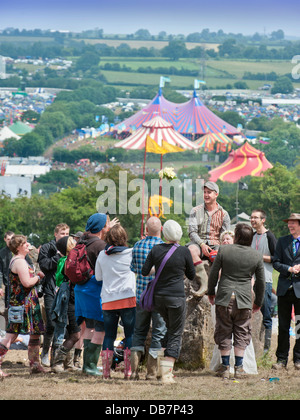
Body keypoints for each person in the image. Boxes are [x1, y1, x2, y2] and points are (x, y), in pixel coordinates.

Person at [207, 223, 265, 379]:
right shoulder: (256, 255)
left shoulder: (224, 250)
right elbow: (261, 282)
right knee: (242, 331)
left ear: (237, 236)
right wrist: (258, 302)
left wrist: (211, 292)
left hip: (224, 297)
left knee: (224, 330)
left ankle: (225, 367)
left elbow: (213, 274)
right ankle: (239, 367)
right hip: (245, 298)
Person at [142, 220, 195, 384]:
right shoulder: (184, 251)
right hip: (176, 298)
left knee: (168, 330)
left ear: (165, 233)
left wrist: (159, 269)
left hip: (159, 299)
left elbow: (144, 272)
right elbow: (192, 275)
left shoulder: (156, 249)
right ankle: (166, 375)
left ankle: (162, 369)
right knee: (175, 333)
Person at [74, 213, 118, 376]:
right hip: (94, 290)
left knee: (89, 327)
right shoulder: (100, 245)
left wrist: (106, 228)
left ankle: (87, 365)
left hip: (81, 290)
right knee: (100, 329)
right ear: (101, 228)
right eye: (105, 224)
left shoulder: (82, 241)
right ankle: (90, 366)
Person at [0, 235, 46, 377]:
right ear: (18, 247)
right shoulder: (19, 262)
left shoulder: (23, 260)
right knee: (10, 337)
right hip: (21, 306)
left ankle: (35, 365)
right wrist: (38, 277)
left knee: (35, 334)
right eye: (25, 243)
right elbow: (26, 283)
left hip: (29, 304)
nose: (28, 245)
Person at [95, 224, 136, 380]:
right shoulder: (131, 253)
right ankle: (128, 371)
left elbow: (98, 277)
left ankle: (106, 372)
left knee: (109, 336)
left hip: (108, 300)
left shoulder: (102, 255)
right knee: (130, 334)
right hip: (127, 298)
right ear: (124, 237)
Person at [130, 216, 167, 380]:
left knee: (138, 332)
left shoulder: (137, 245)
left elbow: (133, 268)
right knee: (158, 333)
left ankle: (134, 371)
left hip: (141, 296)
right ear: (161, 229)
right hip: (159, 296)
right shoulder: (164, 248)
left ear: (146, 230)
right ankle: (151, 373)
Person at [188, 181, 231, 297]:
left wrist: (219, 250)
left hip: (216, 244)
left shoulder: (224, 214)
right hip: (198, 243)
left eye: (209, 192)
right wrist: (202, 244)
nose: (206, 195)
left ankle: (223, 287)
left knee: (223, 255)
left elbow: (225, 235)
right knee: (191, 250)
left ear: (216, 194)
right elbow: (192, 232)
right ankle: (204, 282)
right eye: (205, 192)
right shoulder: (195, 211)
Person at [272, 213, 300, 370]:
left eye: (294, 223)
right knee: (283, 326)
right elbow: (276, 262)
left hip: (299, 289)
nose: (290, 225)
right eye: (289, 223)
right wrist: (289, 269)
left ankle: (298, 359)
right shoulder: (282, 241)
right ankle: (281, 359)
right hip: (284, 289)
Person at [51, 236, 81, 373]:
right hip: (67, 299)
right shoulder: (65, 261)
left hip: (70, 298)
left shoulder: (65, 260)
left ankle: (68, 364)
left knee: (69, 332)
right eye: (73, 242)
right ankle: (57, 362)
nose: (75, 243)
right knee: (70, 333)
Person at [250, 209, 277, 353]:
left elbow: (276, 259)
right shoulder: (251, 236)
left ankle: (265, 350)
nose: (253, 220)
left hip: (265, 280)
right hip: (249, 280)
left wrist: (259, 257)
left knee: (266, 314)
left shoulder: (270, 237)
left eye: (256, 217)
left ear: (263, 220)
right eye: (251, 217)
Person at [0, 231, 14, 325]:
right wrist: (0, 286)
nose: (10, 241)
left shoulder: (19, 250)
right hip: (7, 284)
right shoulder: (1, 253)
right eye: (8, 239)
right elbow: (0, 271)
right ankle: (9, 329)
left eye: (12, 239)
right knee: (8, 308)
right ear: (5, 239)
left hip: (19, 284)